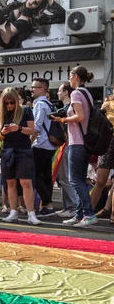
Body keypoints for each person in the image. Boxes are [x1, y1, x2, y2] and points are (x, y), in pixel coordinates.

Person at [54, 66, 97, 227]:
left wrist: (62, 120)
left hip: (77, 142)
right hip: (84, 142)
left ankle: (89, 214)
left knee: (75, 180)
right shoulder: (87, 93)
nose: (69, 79)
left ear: (76, 77)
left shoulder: (77, 93)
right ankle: (79, 215)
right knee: (79, 179)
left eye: (70, 75)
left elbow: (80, 116)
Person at [0, 87, 42, 225]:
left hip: (23, 150)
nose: (9, 105)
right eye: (6, 103)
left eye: (12, 102)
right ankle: (13, 211)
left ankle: (31, 213)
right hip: (8, 151)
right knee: (10, 182)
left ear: (17, 101)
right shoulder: (2, 114)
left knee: (26, 182)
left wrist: (19, 128)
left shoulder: (26, 110)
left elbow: (33, 130)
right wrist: (4, 132)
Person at [0, 0, 65, 51]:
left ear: (38, 7)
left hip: (2, 42)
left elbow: (62, 16)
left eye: (36, 3)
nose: (32, 2)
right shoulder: (15, 5)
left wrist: (49, 0)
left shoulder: (37, 19)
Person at [29, 77, 57, 217]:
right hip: (50, 145)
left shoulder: (40, 104)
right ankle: (47, 206)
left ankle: (48, 203)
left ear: (42, 89)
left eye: (34, 87)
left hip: (40, 144)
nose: (31, 89)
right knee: (46, 176)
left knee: (34, 175)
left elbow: (37, 127)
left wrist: (29, 143)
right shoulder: (48, 104)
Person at [55, 82, 78, 218]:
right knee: (63, 177)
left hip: (70, 143)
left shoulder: (71, 107)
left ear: (65, 92)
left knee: (67, 177)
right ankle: (67, 206)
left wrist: (61, 119)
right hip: (66, 144)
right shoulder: (65, 107)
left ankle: (72, 207)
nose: (57, 93)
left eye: (59, 90)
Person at [92, 94, 114, 214]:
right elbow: (99, 122)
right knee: (100, 181)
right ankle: (88, 213)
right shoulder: (107, 104)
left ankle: (111, 214)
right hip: (108, 141)